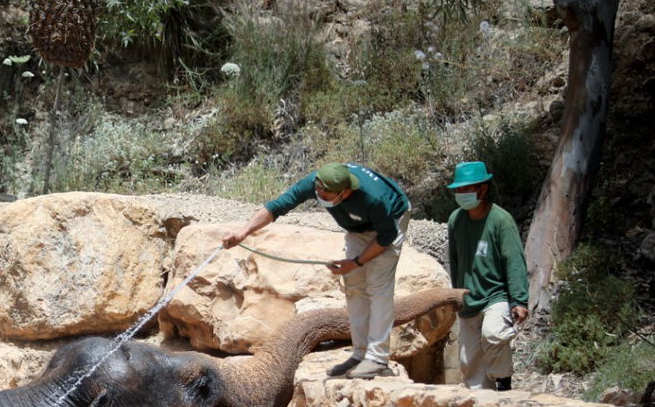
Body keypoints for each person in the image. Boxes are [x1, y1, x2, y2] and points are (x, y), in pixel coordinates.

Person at [222, 162, 412, 379]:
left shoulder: (374, 199)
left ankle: (378, 359)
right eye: (318, 190)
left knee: (377, 287)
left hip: (391, 221)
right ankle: (360, 354)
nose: (319, 195)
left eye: (326, 194)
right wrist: (243, 232)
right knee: (354, 287)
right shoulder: (317, 182)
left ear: (346, 191)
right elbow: (278, 206)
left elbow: (386, 238)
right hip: (357, 228)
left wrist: (356, 262)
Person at [445, 161, 529, 391]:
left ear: (483, 189)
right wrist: (456, 295)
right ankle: (481, 401)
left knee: (493, 334)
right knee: (469, 361)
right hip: (468, 299)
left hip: (496, 294)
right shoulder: (456, 220)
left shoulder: (501, 221)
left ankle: (504, 382)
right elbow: (455, 260)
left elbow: (514, 261)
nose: (462, 194)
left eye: (467, 189)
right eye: (459, 190)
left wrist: (519, 299)